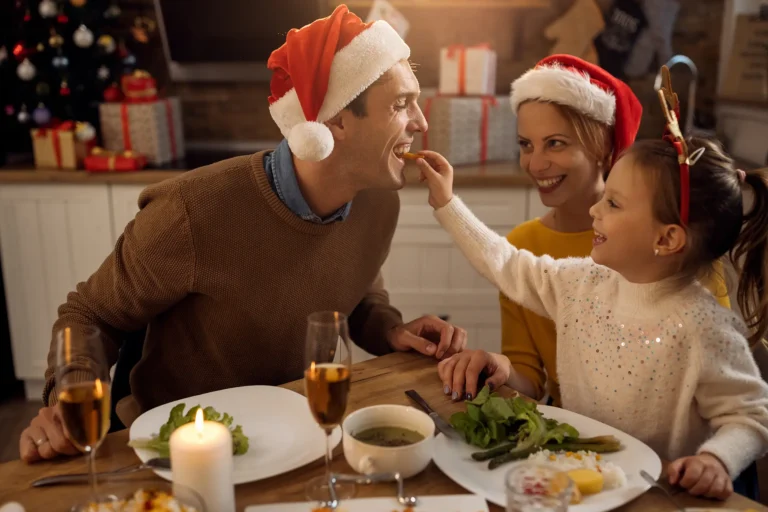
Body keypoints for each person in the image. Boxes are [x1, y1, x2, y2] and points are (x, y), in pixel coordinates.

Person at [19, 4, 467, 463]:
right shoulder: (192, 211)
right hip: (176, 451)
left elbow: (354, 291)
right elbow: (90, 314)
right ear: (336, 122)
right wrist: (67, 401)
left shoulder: (378, 201)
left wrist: (390, 330)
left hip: (300, 436)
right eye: (400, 104)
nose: (421, 121)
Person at [415, 88, 768, 497]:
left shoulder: (705, 326)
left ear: (667, 238)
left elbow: (751, 415)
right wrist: (446, 202)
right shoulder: (579, 283)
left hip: (658, 499)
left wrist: (715, 460)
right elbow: (505, 263)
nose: (594, 211)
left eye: (613, 204)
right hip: (579, 486)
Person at [499, 55, 731, 406]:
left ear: (603, 149)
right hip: (575, 439)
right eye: (525, 144)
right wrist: (497, 369)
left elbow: (717, 373)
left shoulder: (671, 241)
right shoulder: (522, 246)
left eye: (555, 143)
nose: (535, 163)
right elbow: (528, 378)